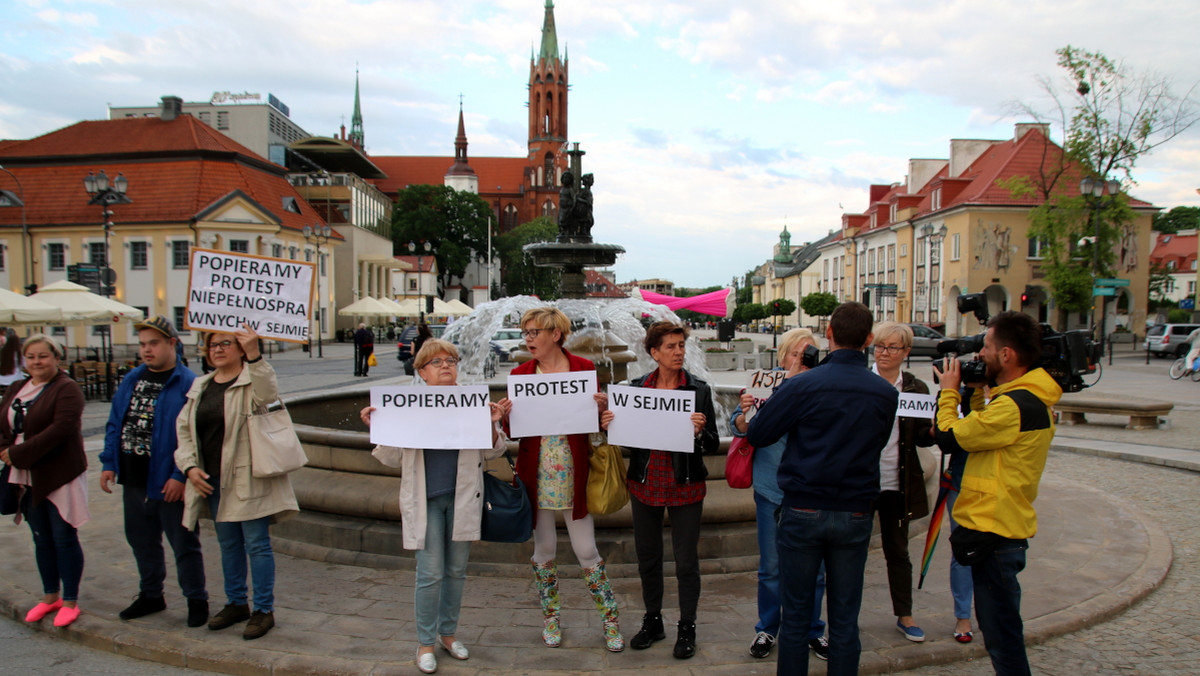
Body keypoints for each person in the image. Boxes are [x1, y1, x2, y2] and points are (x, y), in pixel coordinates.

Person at [747, 302, 898, 676]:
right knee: (845, 618)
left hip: (804, 507)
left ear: (828, 334)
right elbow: (876, 443)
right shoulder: (884, 392)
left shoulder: (804, 384)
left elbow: (760, 432)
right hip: (856, 508)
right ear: (868, 340)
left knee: (796, 617)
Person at [360, 339, 510, 674]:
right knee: (429, 574)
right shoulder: (407, 405)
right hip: (426, 500)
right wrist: (378, 429)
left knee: (456, 572)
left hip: (462, 498)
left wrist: (493, 422)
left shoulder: (473, 402)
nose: (445, 366)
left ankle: (448, 634)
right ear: (422, 372)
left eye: (451, 360)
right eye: (436, 362)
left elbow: (492, 453)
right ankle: (425, 642)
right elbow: (393, 457)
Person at [933, 311, 1062, 675]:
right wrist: (974, 393)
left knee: (1002, 636)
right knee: (1000, 630)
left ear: (1007, 355)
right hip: (999, 526)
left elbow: (950, 436)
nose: (980, 355)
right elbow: (983, 434)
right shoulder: (1022, 399)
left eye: (986, 347)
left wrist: (947, 394)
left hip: (995, 532)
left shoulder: (1013, 406)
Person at [497, 307, 623, 652]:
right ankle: (550, 619)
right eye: (525, 333)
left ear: (555, 334)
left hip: (573, 472)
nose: (528, 339)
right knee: (544, 549)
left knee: (586, 549)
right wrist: (503, 417)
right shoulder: (521, 373)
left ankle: (610, 621)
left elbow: (596, 424)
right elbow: (514, 432)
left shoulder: (583, 369)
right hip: (536, 474)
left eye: (534, 332)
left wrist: (602, 411)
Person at [600, 321, 719, 660]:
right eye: (670, 346)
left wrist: (700, 432)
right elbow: (625, 443)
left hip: (685, 486)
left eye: (681, 345)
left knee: (686, 562)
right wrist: (610, 424)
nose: (679, 351)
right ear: (654, 353)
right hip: (645, 484)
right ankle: (653, 621)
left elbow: (711, 445)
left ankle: (687, 626)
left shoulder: (698, 391)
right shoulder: (637, 389)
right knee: (648, 558)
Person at [176, 326, 298, 640]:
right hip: (212, 479)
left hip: (246, 476)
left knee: (256, 545)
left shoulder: (250, 380)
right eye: (212, 345)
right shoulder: (200, 386)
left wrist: (256, 354)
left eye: (225, 344)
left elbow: (269, 392)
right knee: (228, 543)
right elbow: (185, 431)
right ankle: (236, 603)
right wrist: (189, 467)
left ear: (240, 348)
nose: (217, 349)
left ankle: (263, 610)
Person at [99, 316, 207, 627]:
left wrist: (179, 475)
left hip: (167, 478)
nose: (147, 350)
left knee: (184, 543)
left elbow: (194, 435)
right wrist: (109, 462)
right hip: (133, 476)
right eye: (143, 344)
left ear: (172, 344)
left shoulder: (188, 382)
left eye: (154, 344)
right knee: (140, 540)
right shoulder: (133, 378)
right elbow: (115, 422)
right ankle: (151, 593)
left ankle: (196, 598)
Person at [730, 328, 830, 661]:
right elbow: (737, 425)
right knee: (771, 566)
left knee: (815, 569)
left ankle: (812, 629)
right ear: (783, 356)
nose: (802, 359)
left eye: (809, 353)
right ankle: (768, 628)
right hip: (772, 488)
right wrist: (744, 413)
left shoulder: (825, 386)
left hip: (812, 490)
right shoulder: (763, 385)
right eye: (795, 353)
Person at [0, 334, 88, 628]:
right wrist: (5, 450)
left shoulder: (67, 388)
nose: (37, 362)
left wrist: (19, 453)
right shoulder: (17, 387)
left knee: (63, 537)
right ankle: (51, 596)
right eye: (31, 357)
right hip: (25, 474)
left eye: (43, 356)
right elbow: (2, 422)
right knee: (41, 538)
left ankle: (71, 600)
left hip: (59, 473)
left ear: (56, 358)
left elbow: (61, 428)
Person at [870, 322, 934, 643]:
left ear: (906, 352)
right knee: (849, 552)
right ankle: (842, 617)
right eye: (880, 346)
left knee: (898, 551)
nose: (884, 353)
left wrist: (938, 428)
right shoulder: (862, 381)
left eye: (892, 347)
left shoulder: (915, 388)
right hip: (863, 481)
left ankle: (905, 613)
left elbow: (921, 437)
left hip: (897, 481)